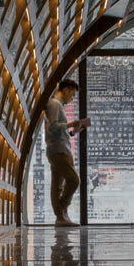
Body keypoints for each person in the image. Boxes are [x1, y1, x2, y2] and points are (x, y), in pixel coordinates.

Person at [44, 78, 90, 226]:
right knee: (74, 180)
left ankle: (61, 217)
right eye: (73, 94)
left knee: (58, 184)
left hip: (59, 148)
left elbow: (58, 130)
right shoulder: (55, 104)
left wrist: (74, 131)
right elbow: (52, 127)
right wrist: (71, 123)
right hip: (59, 149)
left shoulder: (58, 105)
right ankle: (61, 212)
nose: (72, 98)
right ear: (66, 90)